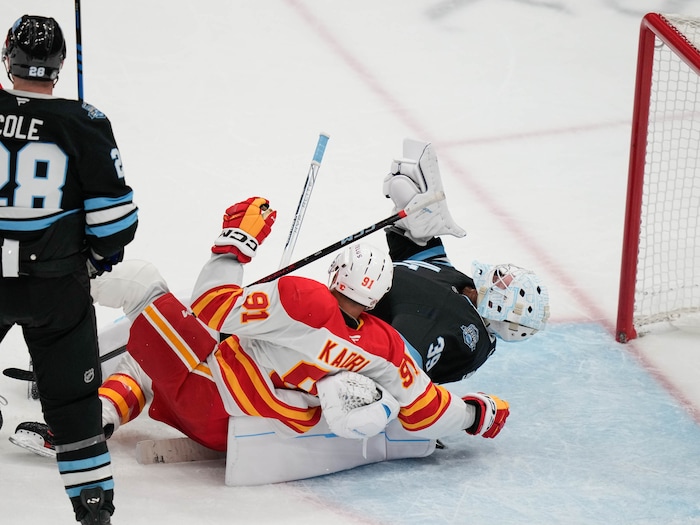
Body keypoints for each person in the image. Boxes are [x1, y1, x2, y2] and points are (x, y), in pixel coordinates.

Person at [0, 14, 138, 524]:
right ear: (59, 65)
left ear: (7, 55)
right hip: (55, 287)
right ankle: (94, 512)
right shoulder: (86, 121)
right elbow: (115, 221)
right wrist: (98, 260)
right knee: (76, 409)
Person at [373, 138, 550, 384]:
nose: (499, 276)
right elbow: (419, 255)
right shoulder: (462, 290)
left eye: (505, 284)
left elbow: (394, 369)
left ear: (503, 308)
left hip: (334, 333)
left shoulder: (459, 322)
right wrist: (416, 218)